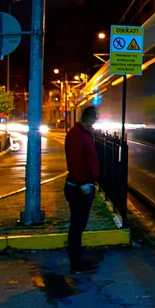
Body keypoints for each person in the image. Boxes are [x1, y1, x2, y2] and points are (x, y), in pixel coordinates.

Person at [64, 105, 100, 273]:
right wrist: (82, 183)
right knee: (77, 225)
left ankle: (77, 258)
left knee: (79, 224)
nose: (96, 120)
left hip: (83, 185)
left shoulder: (83, 133)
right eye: (95, 117)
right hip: (79, 187)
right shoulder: (76, 135)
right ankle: (75, 263)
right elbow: (75, 161)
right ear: (89, 118)